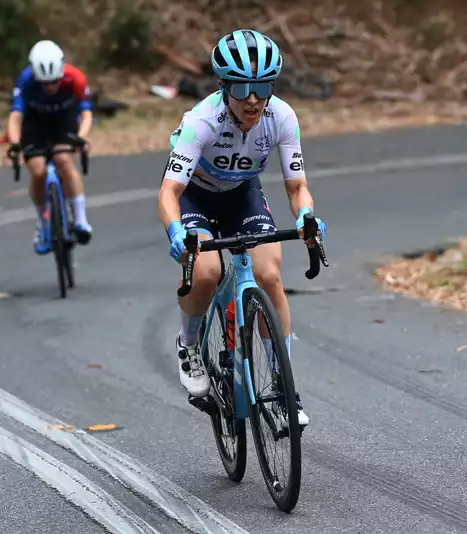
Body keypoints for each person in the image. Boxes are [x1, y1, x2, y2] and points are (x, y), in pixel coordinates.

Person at [157, 29, 327, 428]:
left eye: (262, 86)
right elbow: (169, 191)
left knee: (269, 274)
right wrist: (176, 232)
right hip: (194, 197)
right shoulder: (201, 122)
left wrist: (305, 216)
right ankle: (189, 343)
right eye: (241, 87)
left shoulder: (282, 117)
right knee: (207, 272)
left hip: (241, 193)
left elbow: (297, 185)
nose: (252, 98)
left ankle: (283, 389)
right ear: (223, 86)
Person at [6, 39, 94, 255]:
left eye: (54, 81)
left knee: (64, 160)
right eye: (45, 84)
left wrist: (81, 138)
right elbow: (16, 117)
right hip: (35, 123)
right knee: (37, 170)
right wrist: (15, 144)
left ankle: (81, 220)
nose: (51, 87)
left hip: (64, 119)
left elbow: (86, 114)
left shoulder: (76, 78)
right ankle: (42, 223)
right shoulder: (25, 80)